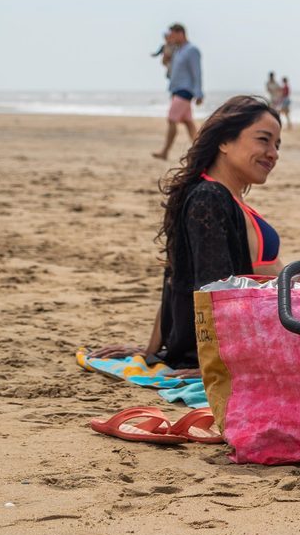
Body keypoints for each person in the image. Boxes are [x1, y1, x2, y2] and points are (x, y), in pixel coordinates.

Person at [92, 96, 284, 376]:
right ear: (224, 142)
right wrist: (214, 364)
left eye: (277, 145)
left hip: (274, 320)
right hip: (256, 336)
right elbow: (213, 289)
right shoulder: (209, 197)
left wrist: (152, 350)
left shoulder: (223, 196)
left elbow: (174, 275)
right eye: (264, 140)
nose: (273, 153)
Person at [154, 24, 204, 161]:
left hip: (185, 90)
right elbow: (167, 66)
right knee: (188, 122)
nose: (170, 37)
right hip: (176, 89)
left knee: (172, 119)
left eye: (172, 35)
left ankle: (165, 151)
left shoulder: (192, 50)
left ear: (180, 33)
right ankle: (201, 150)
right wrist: (166, 53)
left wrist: (199, 93)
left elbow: (197, 72)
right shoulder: (177, 51)